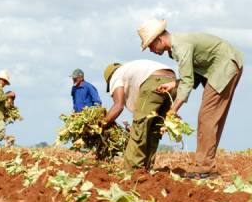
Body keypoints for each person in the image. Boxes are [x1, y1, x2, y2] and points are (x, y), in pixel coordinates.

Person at [138, 19, 244, 178]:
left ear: (159, 39)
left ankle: (204, 167)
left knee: (207, 117)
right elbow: (190, 75)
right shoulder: (176, 47)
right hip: (222, 65)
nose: (151, 51)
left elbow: (188, 81)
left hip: (224, 65)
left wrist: (173, 110)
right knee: (210, 118)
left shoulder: (180, 47)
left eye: (150, 46)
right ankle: (206, 164)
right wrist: (174, 84)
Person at [103, 60, 176, 171]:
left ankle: (132, 172)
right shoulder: (130, 70)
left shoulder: (116, 76)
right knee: (153, 130)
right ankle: (146, 169)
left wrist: (101, 124)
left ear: (109, 79)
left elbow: (118, 105)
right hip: (172, 83)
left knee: (139, 129)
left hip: (155, 81)